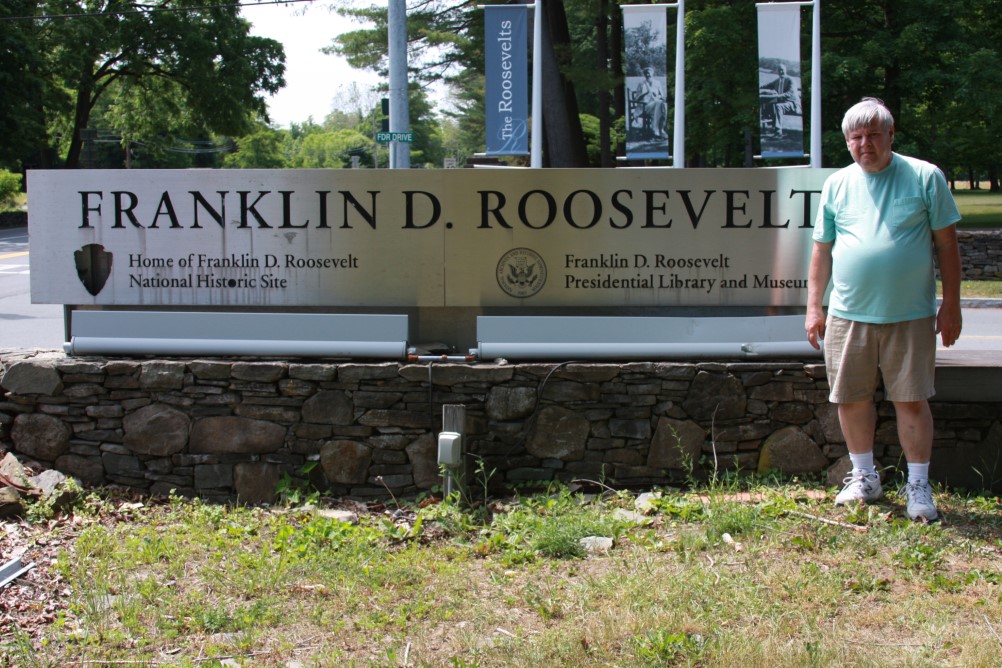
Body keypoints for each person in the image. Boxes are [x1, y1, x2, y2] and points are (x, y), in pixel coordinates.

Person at [806, 97, 962, 521]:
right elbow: (822, 249)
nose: (865, 144)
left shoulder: (925, 176)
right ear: (847, 142)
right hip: (847, 313)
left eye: (874, 134)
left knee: (911, 401)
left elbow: (947, 245)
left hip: (909, 314)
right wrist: (814, 308)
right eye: (856, 137)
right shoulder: (838, 184)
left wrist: (951, 305)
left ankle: (918, 486)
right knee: (851, 399)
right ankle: (864, 477)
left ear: (891, 135)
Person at [759, 63, 801, 137]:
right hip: (782, 102)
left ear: (785, 70)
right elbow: (767, 85)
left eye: (782, 70)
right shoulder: (777, 81)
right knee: (766, 103)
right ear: (777, 72)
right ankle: (769, 125)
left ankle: (778, 132)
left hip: (792, 103)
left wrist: (777, 96)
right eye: (779, 70)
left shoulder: (791, 80)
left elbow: (790, 94)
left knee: (778, 106)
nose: (781, 72)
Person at [633, 66, 668, 139]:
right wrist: (645, 93)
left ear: (653, 73)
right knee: (661, 105)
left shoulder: (657, 83)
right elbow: (637, 99)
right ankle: (660, 130)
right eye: (646, 73)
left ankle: (657, 131)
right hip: (645, 106)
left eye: (649, 72)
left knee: (661, 104)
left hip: (656, 105)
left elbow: (662, 96)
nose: (648, 74)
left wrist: (658, 97)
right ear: (644, 74)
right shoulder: (641, 84)